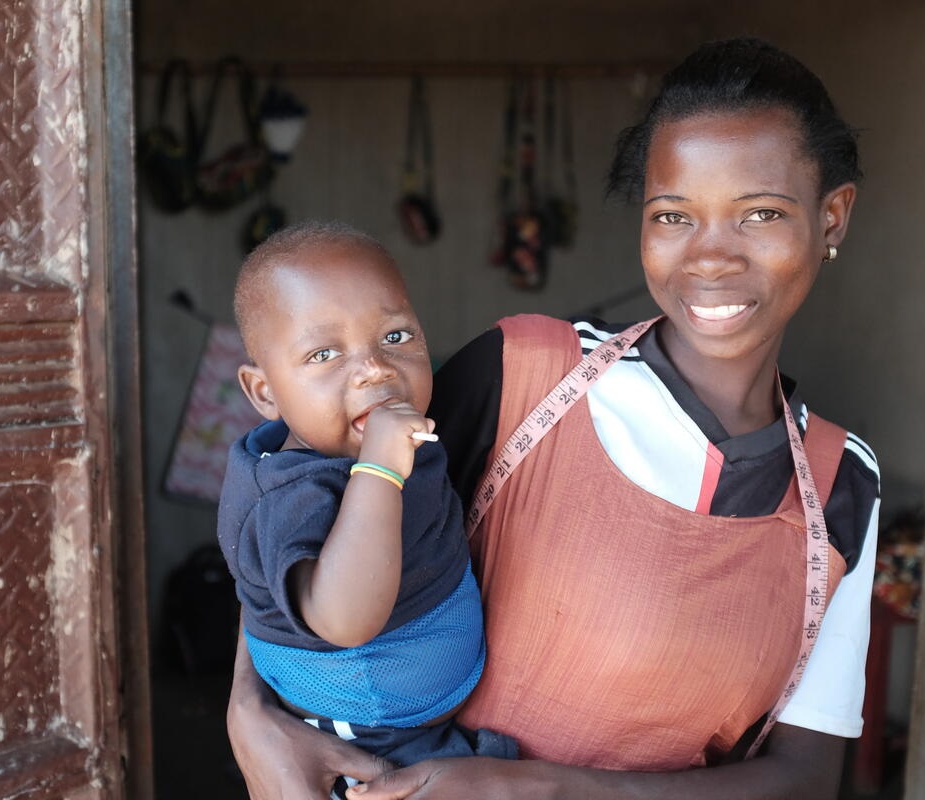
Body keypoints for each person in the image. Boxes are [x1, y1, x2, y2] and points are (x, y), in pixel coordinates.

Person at [226, 37, 880, 800]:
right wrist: (249, 712)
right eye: (674, 216)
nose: (710, 258)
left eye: (759, 214)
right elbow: (309, 504)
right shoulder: (527, 374)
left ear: (832, 217)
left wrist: (529, 788)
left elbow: (804, 779)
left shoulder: (841, 487)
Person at [216, 222, 517, 784]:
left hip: (420, 721)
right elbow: (344, 619)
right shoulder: (287, 496)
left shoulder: (400, 431)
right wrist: (379, 470)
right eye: (324, 353)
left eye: (396, 337)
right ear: (265, 393)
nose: (375, 368)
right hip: (363, 736)